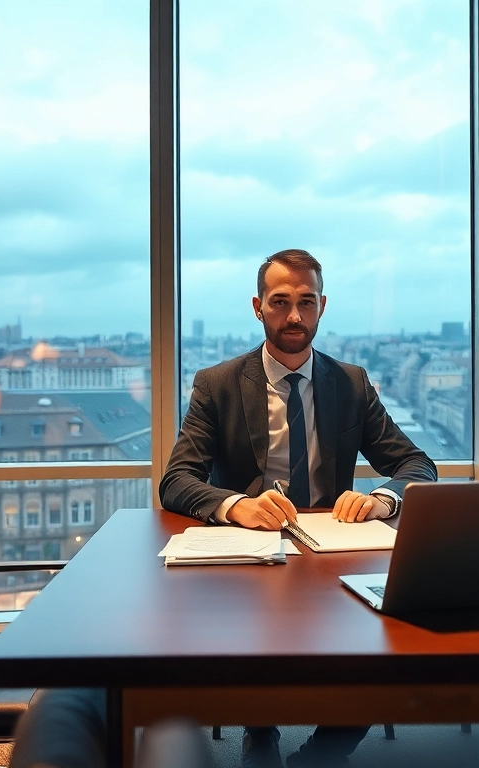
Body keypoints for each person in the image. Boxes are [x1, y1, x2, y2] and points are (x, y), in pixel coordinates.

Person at [160, 248, 437, 767]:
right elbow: (176, 481)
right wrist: (236, 505)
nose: (294, 316)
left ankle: (322, 753)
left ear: (322, 307)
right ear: (257, 307)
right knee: (251, 630)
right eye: (280, 302)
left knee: (381, 647)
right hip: (251, 556)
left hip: (334, 555)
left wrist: (380, 499)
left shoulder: (350, 384)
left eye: (305, 302)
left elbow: (417, 465)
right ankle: (258, 732)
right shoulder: (217, 385)